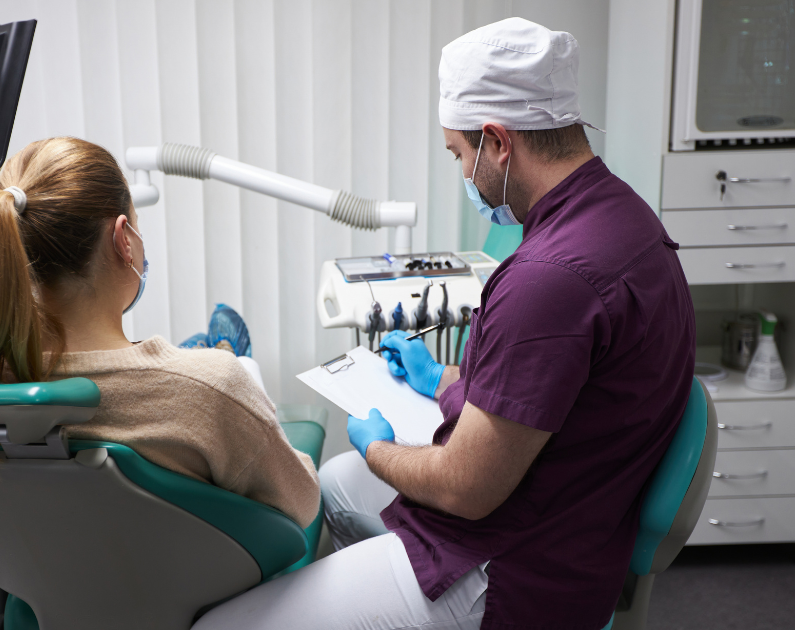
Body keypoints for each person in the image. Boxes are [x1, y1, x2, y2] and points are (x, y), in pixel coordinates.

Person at [193, 17, 695, 630]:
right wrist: (442, 380)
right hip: (571, 517)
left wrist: (378, 447)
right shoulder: (624, 217)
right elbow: (551, 393)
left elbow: (466, 489)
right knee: (335, 484)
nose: (463, 173)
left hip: (510, 571)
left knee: (219, 627)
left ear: (498, 142)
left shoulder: (550, 279)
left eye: (459, 154)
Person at [0, 137, 320, 530]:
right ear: (123, 239)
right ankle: (217, 346)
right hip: (212, 591)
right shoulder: (214, 387)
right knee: (242, 365)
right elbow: (302, 504)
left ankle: (207, 345)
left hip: (53, 590)